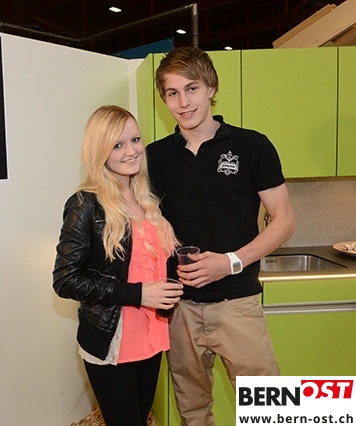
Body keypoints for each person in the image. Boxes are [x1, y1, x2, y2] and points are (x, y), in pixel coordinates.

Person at [146, 47, 296, 426]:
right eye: (172, 93)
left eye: (191, 88)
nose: (183, 102)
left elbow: (283, 221)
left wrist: (229, 262)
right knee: (193, 412)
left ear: (211, 88)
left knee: (270, 410)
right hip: (179, 308)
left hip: (238, 304)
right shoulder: (153, 157)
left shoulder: (252, 146)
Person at [53, 105, 184, 426]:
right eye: (118, 145)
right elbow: (65, 279)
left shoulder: (147, 199)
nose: (131, 151)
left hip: (151, 337)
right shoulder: (85, 204)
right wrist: (139, 294)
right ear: (100, 151)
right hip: (112, 341)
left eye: (135, 140)